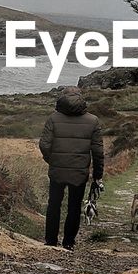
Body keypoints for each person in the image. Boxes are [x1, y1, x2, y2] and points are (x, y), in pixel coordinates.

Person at [38, 87, 104, 249]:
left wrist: (52, 160)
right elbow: (98, 152)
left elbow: (44, 145)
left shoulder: (53, 118)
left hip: (57, 170)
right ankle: (68, 242)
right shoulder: (93, 120)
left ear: (62, 99)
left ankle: (51, 240)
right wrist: (97, 174)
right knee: (74, 206)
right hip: (79, 171)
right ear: (81, 100)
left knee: (54, 204)